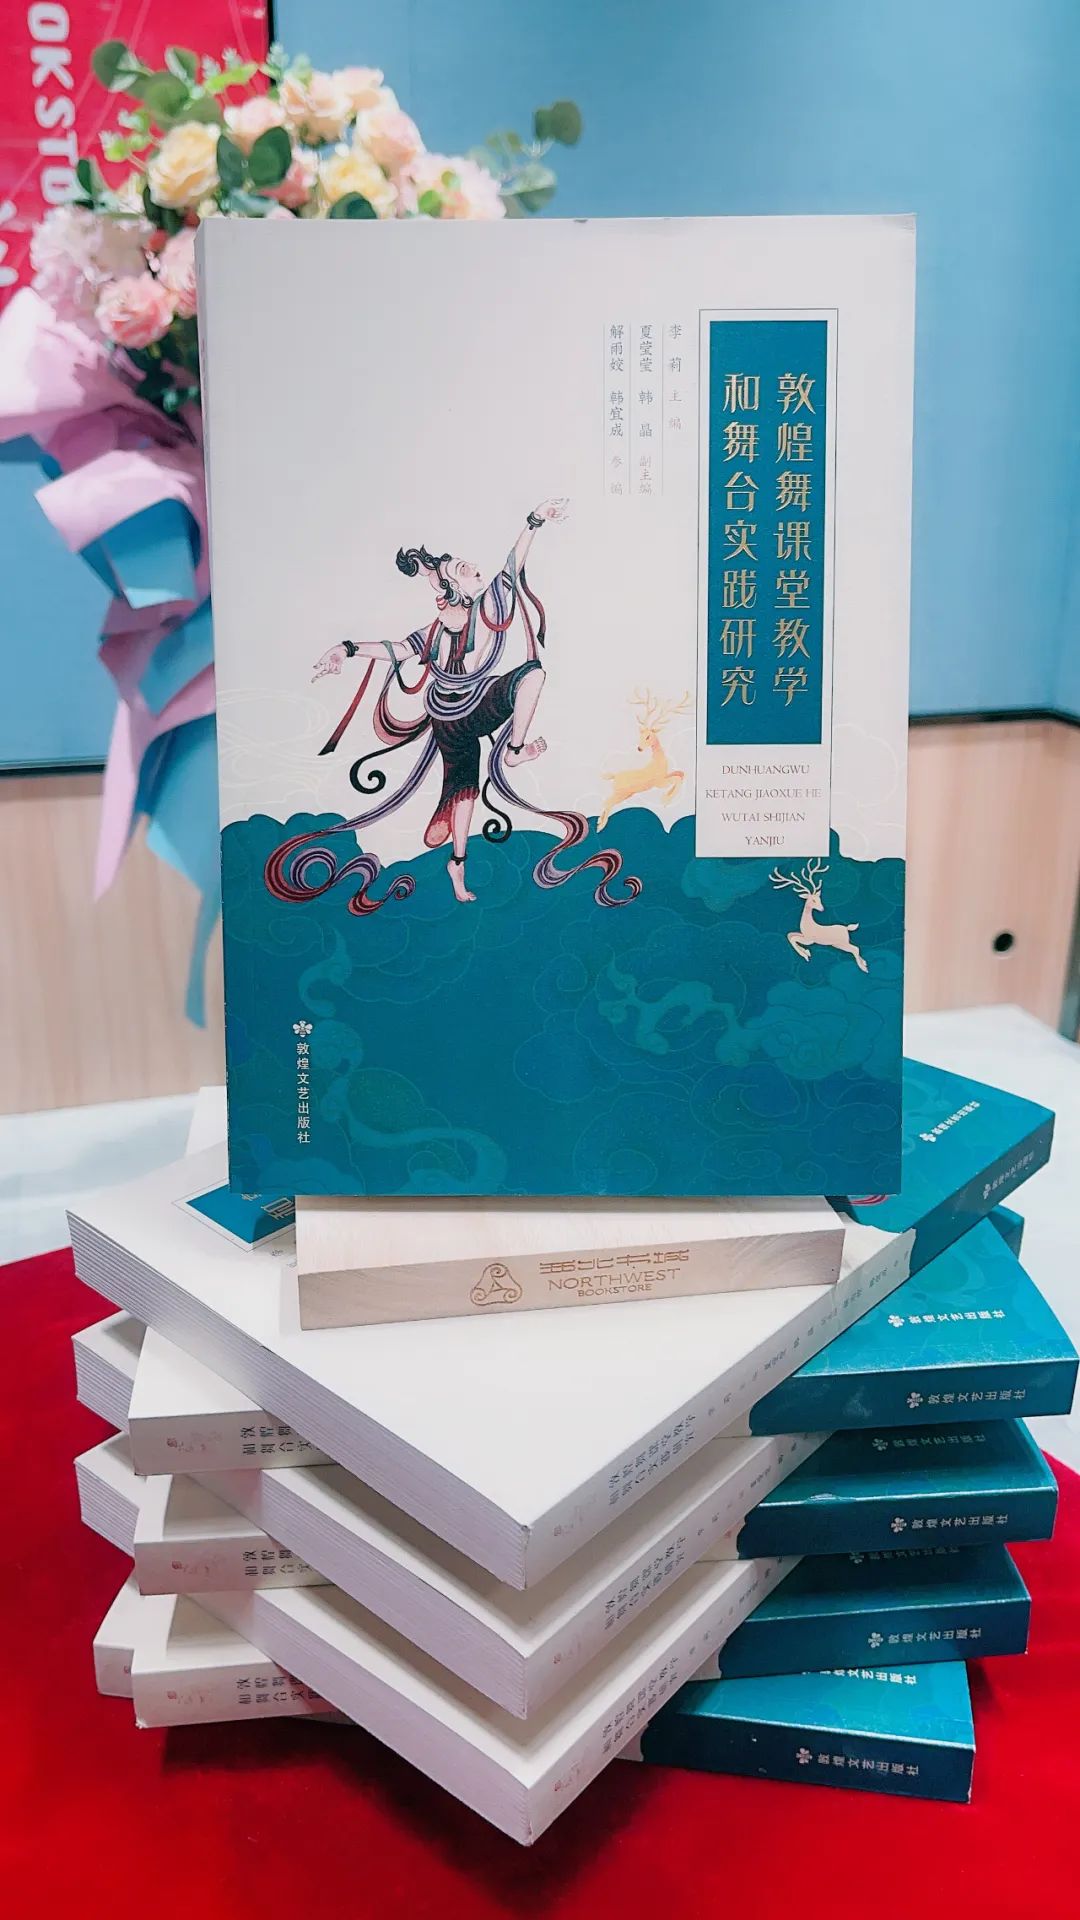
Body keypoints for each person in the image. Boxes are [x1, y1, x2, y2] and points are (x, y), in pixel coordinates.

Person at [310, 498, 567, 902]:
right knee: (463, 790)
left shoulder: (489, 606)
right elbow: (397, 649)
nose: (473, 568)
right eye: (462, 570)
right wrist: (347, 649)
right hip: (449, 717)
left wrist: (535, 520)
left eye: (468, 565)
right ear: (452, 589)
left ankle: (514, 751)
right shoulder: (435, 630)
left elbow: (512, 565)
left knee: (532, 675)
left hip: (475, 703)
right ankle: (458, 862)